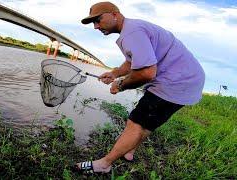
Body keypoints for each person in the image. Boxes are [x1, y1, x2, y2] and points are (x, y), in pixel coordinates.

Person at [75, 1, 205, 174]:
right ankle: (129, 150)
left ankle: (105, 164)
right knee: (147, 122)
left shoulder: (132, 33)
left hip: (175, 81)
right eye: (93, 23)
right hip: (189, 81)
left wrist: (120, 85)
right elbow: (132, 62)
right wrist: (114, 74)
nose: (96, 26)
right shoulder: (132, 29)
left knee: (135, 122)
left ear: (115, 14)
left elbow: (146, 73)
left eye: (98, 20)